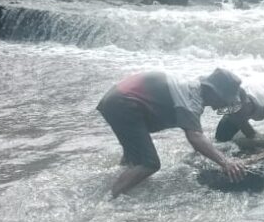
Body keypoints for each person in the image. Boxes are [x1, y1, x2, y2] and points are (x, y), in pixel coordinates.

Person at [97, 67, 246, 197]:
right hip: (123, 103)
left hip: (117, 99)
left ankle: (121, 180)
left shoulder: (192, 89)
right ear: (214, 92)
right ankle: (111, 198)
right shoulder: (191, 101)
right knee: (150, 163)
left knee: (135, 156)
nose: (224, 104)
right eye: (225, 99)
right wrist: (225, 162)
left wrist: (207, 156)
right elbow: (195, 137)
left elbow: (196, 138)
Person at [214, 76, 264, 144]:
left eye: (237, 112)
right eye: (232, 112)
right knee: (221, 137)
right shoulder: (234, 112)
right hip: (244, 93)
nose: (236, 115)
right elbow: (251, 135)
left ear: (248, 104)